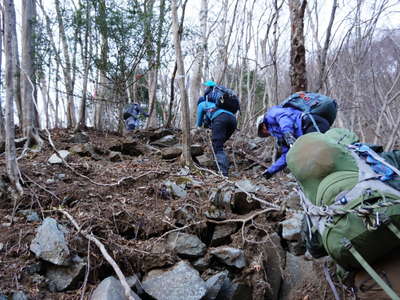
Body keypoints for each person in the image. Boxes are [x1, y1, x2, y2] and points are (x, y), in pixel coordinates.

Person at [257, 93, 332, 180]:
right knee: (313, 160)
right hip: (306, 132)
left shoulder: (271, 114)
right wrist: (270, 171)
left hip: (310, 123)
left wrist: (288, 133)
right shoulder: (280, 136)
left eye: (263, 132)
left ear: (262, 125)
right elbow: (287, 155)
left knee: (320, 154)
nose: (266, 134)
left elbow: (284, 117)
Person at [196, 80, 237, 177]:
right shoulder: (219, 104)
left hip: (220, 119)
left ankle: (224, 173)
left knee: (217, 147)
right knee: (219, 144)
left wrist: (199, 127)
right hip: (233, 120)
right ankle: (220, 165)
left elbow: (198, 123)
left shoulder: (202, 104)